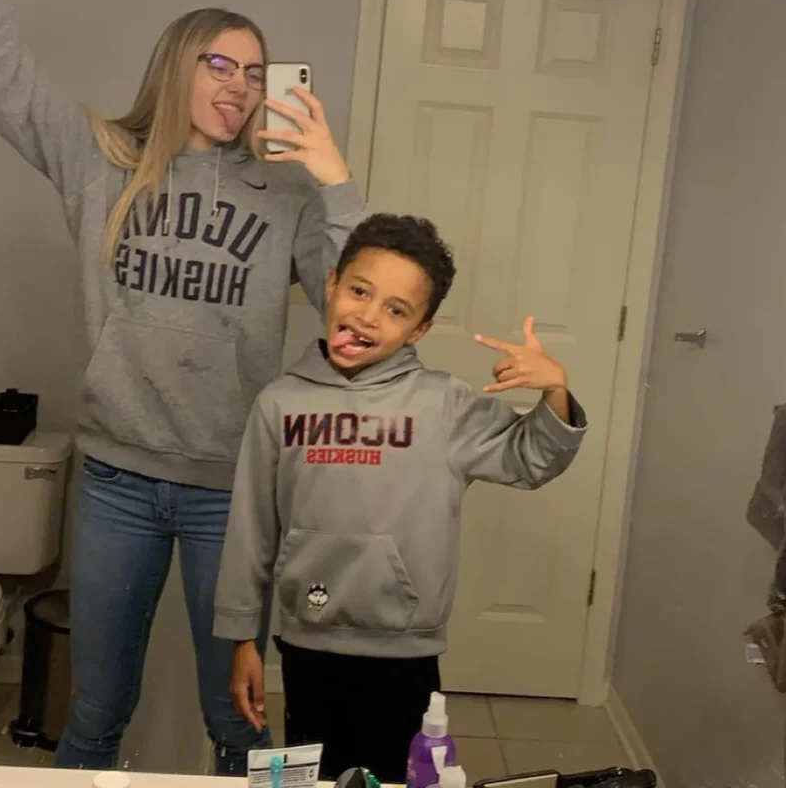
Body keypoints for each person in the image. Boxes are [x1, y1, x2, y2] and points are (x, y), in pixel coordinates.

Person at [0, 0, 370, 774]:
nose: (240, 86)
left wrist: (335, 181)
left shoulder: (288, 195)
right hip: (117, 483)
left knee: (236, 720)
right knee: (96, 711)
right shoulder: (100, 159)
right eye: (220, 64)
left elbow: (357, 315)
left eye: (254, 72)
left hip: (231, 491)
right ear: (177, 65)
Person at [214, 214, 588, 781]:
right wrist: (242, 638)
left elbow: (532, 457)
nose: (368, 315)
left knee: (393, 778)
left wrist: (555, 388)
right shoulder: (280, 403)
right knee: (319, 779)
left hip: (403, 651)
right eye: (360, 291)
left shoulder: (444, 405)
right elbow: (251, 527)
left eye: (396, 309)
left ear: (419, 330)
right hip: (308, 640)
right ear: (332, 284)